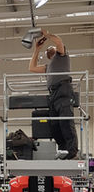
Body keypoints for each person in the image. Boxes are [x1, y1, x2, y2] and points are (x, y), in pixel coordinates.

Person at [29, 28, 78, 159]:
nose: (49, 49)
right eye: (47, 49)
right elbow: (32, 67)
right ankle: (63, 150)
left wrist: (47, 35)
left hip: (63, 90)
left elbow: (59, 42)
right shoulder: (48, 66)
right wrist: (37, 49)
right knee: (55, 125)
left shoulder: (62, 56)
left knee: (66, 122)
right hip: (53, 94)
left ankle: (72, 152)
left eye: (51, 47)